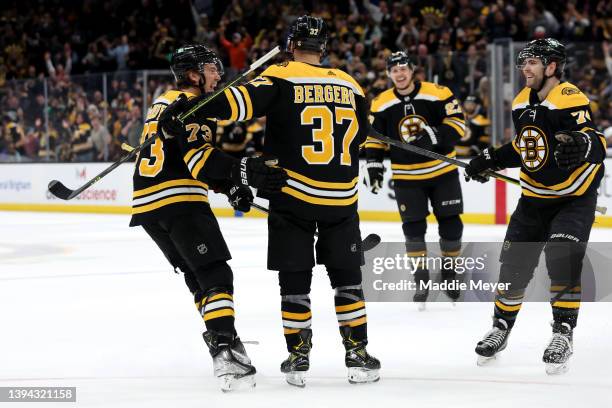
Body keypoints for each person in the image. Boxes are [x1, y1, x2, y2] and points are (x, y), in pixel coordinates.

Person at [159, 16, 380, 387]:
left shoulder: (279, 76)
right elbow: (360, 136)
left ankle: (298, 357)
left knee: (295, 279)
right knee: (348, 279)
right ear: (322, 48)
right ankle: (358, 354)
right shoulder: (350, 82)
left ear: (291, 44)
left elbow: (233, 105)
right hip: (342, 197)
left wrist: (188, 109)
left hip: (292, 192)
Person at [130, 43, 287, 391]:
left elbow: (184, 156)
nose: (218, 74)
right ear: (193, 74)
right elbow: (200, 160)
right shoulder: (195, 105)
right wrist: (243, 172)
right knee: (216, 272)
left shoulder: (164, 101)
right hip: (179, 200)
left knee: (199, 277)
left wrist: (228, 186)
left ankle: (225, 339)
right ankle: (224, 349)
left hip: (149, 206)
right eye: (212, 69)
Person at [465, 38, 607, 374]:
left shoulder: (569, 97)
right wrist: (490, 159)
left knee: (562, 258)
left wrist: (581, 144)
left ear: (552, 67)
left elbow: (595, 140)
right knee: (513, 266)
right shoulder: (520, 103)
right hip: (533, 199)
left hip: (574, 198)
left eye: (533, 62)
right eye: (523, 62)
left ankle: (563, 333)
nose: (525, 68)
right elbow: (524, 146)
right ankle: (501, 327)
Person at [364, 51, 466, 308]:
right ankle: (421, 280)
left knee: (452, 226)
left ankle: (449, 275)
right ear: (388, 74)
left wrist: (433, 135)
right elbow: (374, 137)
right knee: (413, 230)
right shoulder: (380, 103)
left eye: (403, 69)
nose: (399, 73)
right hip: (406, 177)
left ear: (412, 70)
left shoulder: (438, 92)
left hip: (442, 172)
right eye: (394, 70)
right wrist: (374, 165)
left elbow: (458, 124)